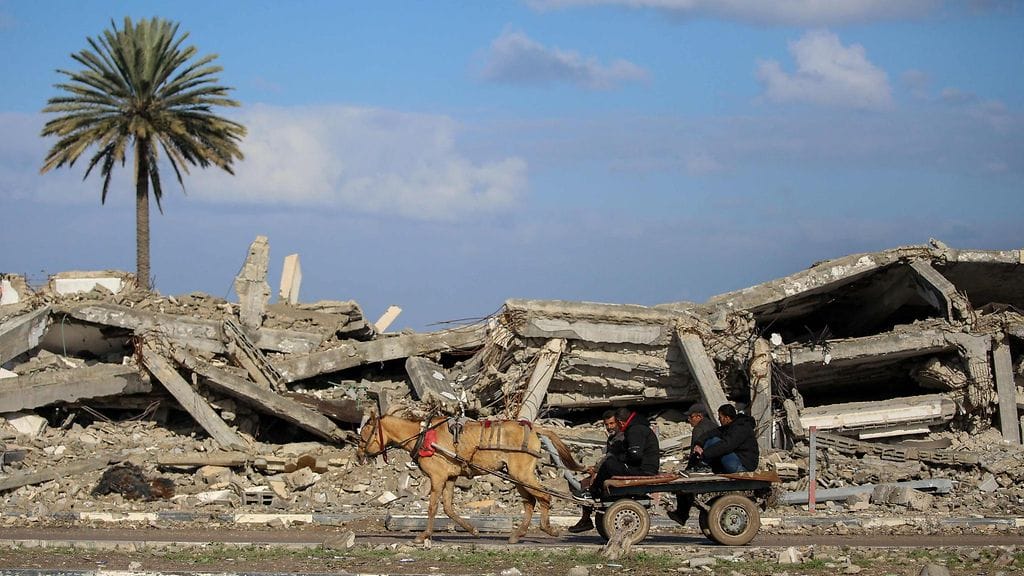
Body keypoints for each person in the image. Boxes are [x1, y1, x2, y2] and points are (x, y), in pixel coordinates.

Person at [567, 407, 660, 533]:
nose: (610, 427)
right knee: (586, 482)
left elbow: (629, 455)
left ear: (619, 422)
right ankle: (586, 517)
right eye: (607, 424)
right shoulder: (617, 436)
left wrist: (600, 469)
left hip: (642, 469)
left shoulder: (629, 433)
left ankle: (591, 499)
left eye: (612, 423)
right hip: (634, 467)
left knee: (605, 469)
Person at [667, 402, 717, 525]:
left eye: (691, 417)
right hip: (714, 463)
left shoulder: (699, 429)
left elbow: (695, 453)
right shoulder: (713, 425)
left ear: (699, 416)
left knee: (682, 484)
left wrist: (688, 469)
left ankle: (682, 514)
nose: (689, 420)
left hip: (705, 465)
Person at [694, 403, 759, 474]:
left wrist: (704, 454)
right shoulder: (729, 426)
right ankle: (702, 466)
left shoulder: (741, 427)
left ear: (727, 418)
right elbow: (711, 433)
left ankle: (704, 465)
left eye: (720, 417)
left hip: (743, 465)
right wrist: (699, 444)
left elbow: (727, 445)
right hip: (735, 459)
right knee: (711, 440)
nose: (719, 419)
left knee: (716, 442)